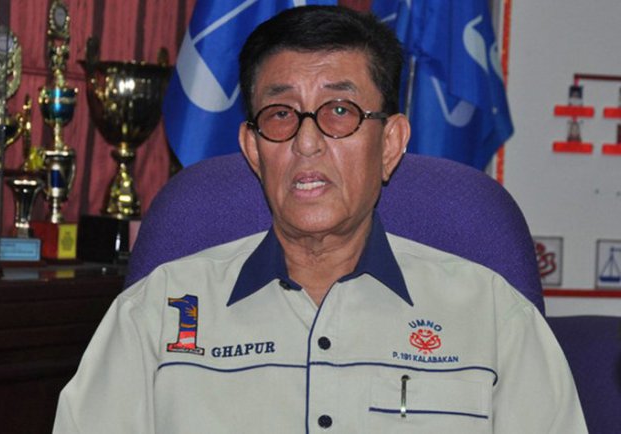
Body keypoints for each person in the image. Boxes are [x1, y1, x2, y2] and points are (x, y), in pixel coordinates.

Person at [53, 6, 587, 433]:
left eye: (339, 112)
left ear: (390, 144)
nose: (306, 142)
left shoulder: (495, 319)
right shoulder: (155, 313)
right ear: (254, 149)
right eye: (280, 115)